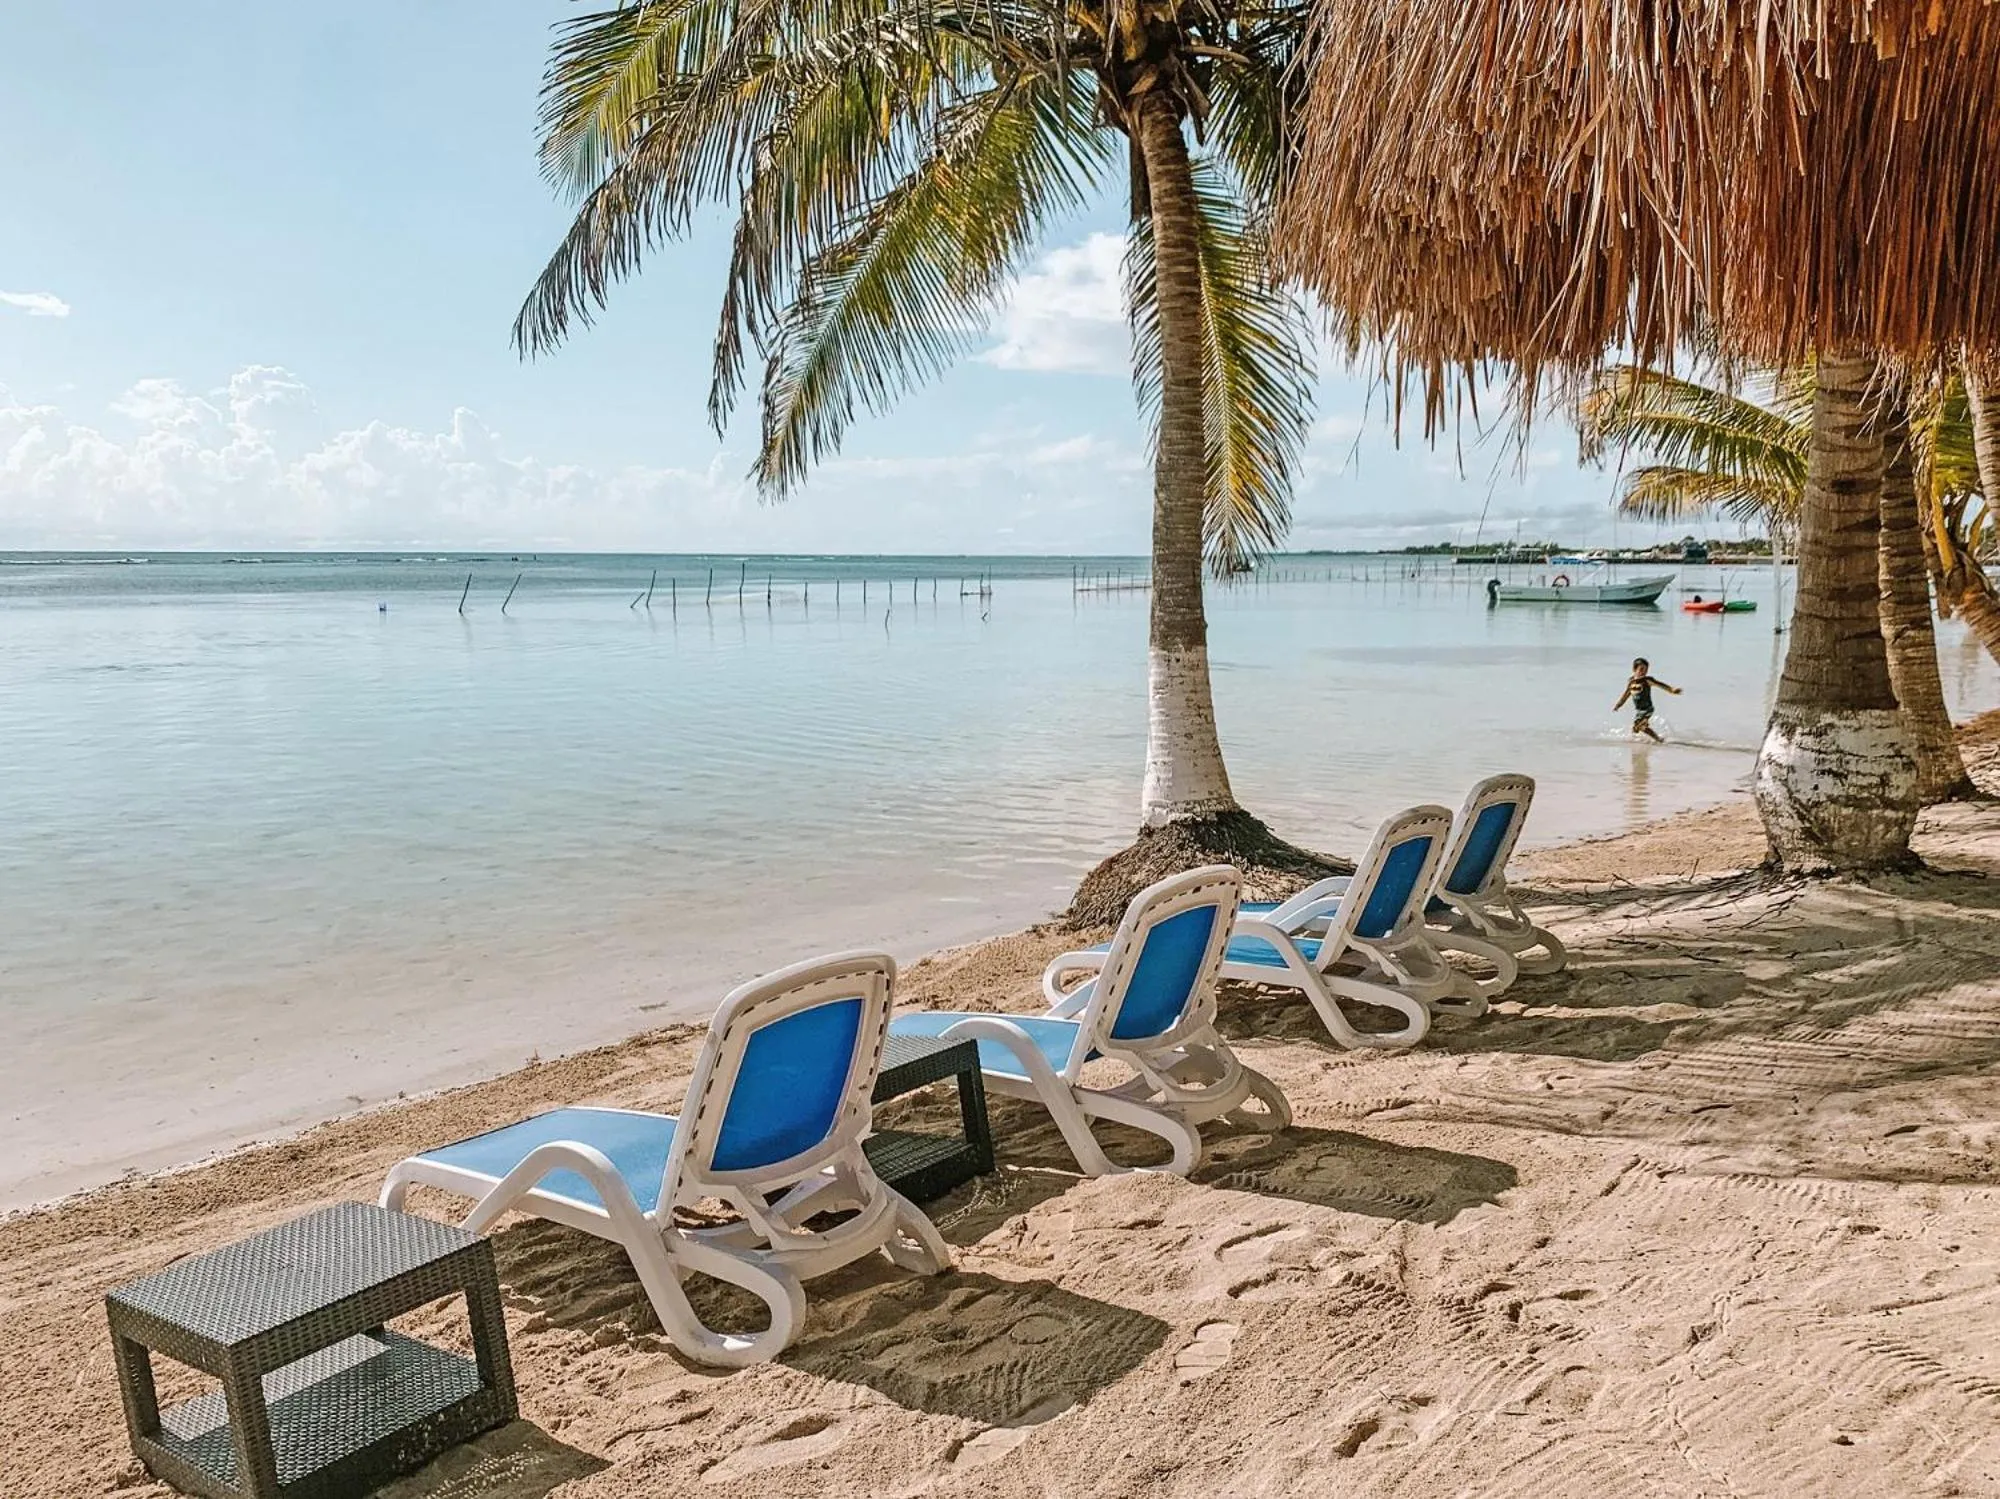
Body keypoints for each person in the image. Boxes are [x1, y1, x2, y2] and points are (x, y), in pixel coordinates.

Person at [1615, 657, 1680, 742]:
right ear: (1634, 669)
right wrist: (1619, 704)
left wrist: (1672, 690)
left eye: (1646, 670)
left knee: (1639, 725)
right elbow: (1626, 694)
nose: (1644, 672)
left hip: (1647, 709)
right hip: (1639, 710)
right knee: (1637, 729)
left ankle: (1658, 739)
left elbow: (1660, 685)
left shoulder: (1647, 680)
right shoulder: (1631, 682)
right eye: (1641, 669)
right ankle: (1651, 740)